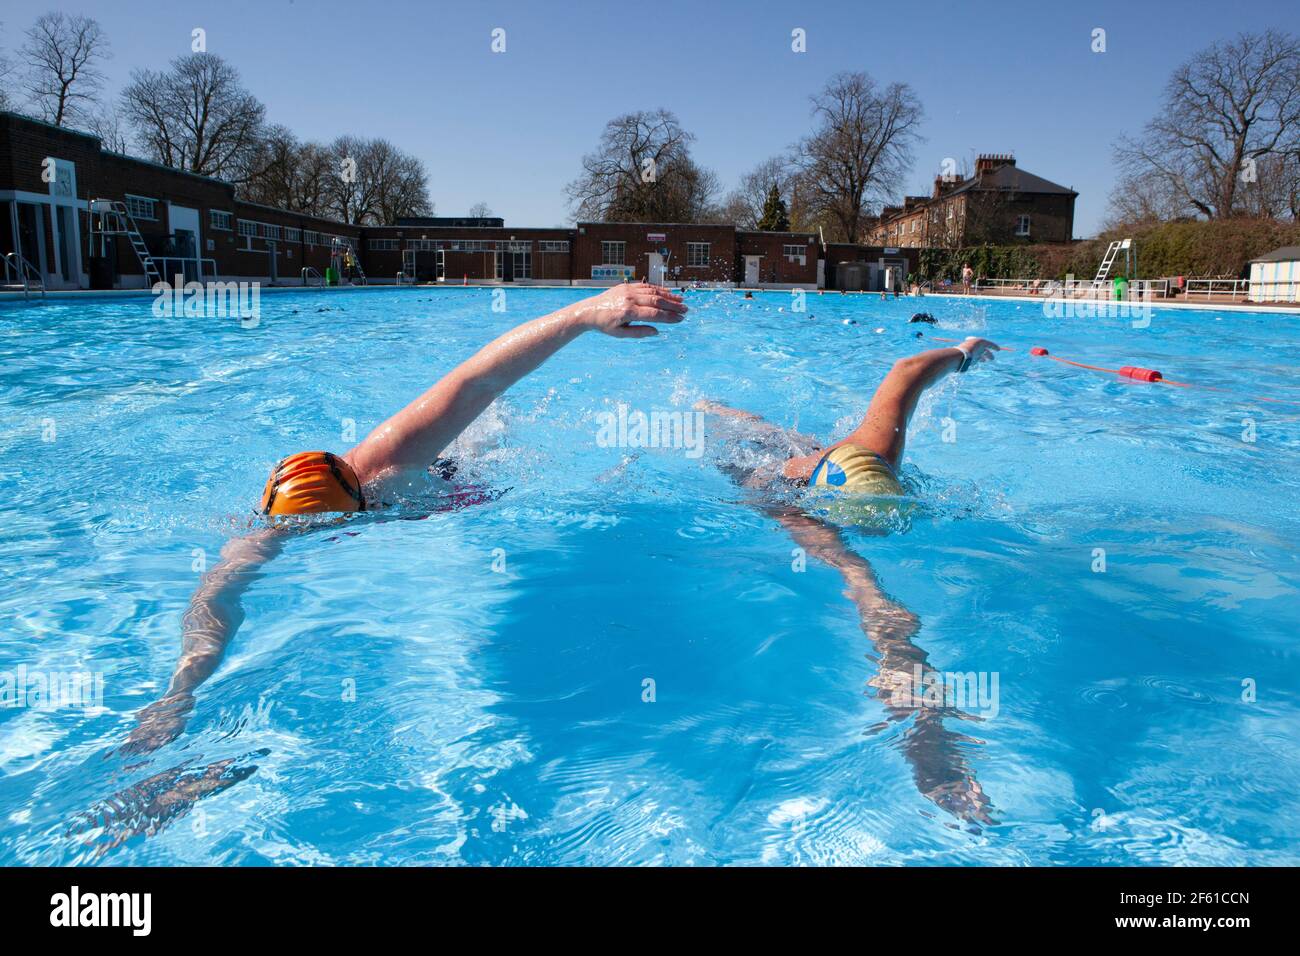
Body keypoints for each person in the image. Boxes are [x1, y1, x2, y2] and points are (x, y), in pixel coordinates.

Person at [123, 284, 688, 753]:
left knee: (489, 444)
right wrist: (178, 695)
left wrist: (584, 312)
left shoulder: (387, 460)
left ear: (359, 498)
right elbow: (212, 603)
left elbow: (480, 378)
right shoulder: (263, 533)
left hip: (452, 476)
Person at [696, 335, 1002, 824]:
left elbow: (909, 370)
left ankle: (714, 407)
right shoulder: (789, 506)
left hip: (824, 466)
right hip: (770, 481)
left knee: (773, 436)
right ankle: (711, 409)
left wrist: (966, 353)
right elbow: (867, 593)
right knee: (857, 573)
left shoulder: (872, 449)